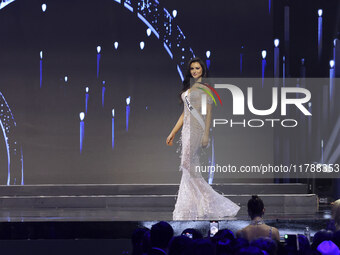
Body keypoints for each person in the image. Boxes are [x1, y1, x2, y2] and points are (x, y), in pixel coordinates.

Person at [166, 57, 240, 220]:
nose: (194, 71)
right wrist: (173, 132)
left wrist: (206, 134)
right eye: (192, 68)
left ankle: (204, 202)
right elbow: (185, 113)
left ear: (203, 71)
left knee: (186, 164)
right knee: (190, 168)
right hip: (186, 130)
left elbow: (208, 114)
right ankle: (199, 205)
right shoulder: (190, 88)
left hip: (197, 130)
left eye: (197, 68)